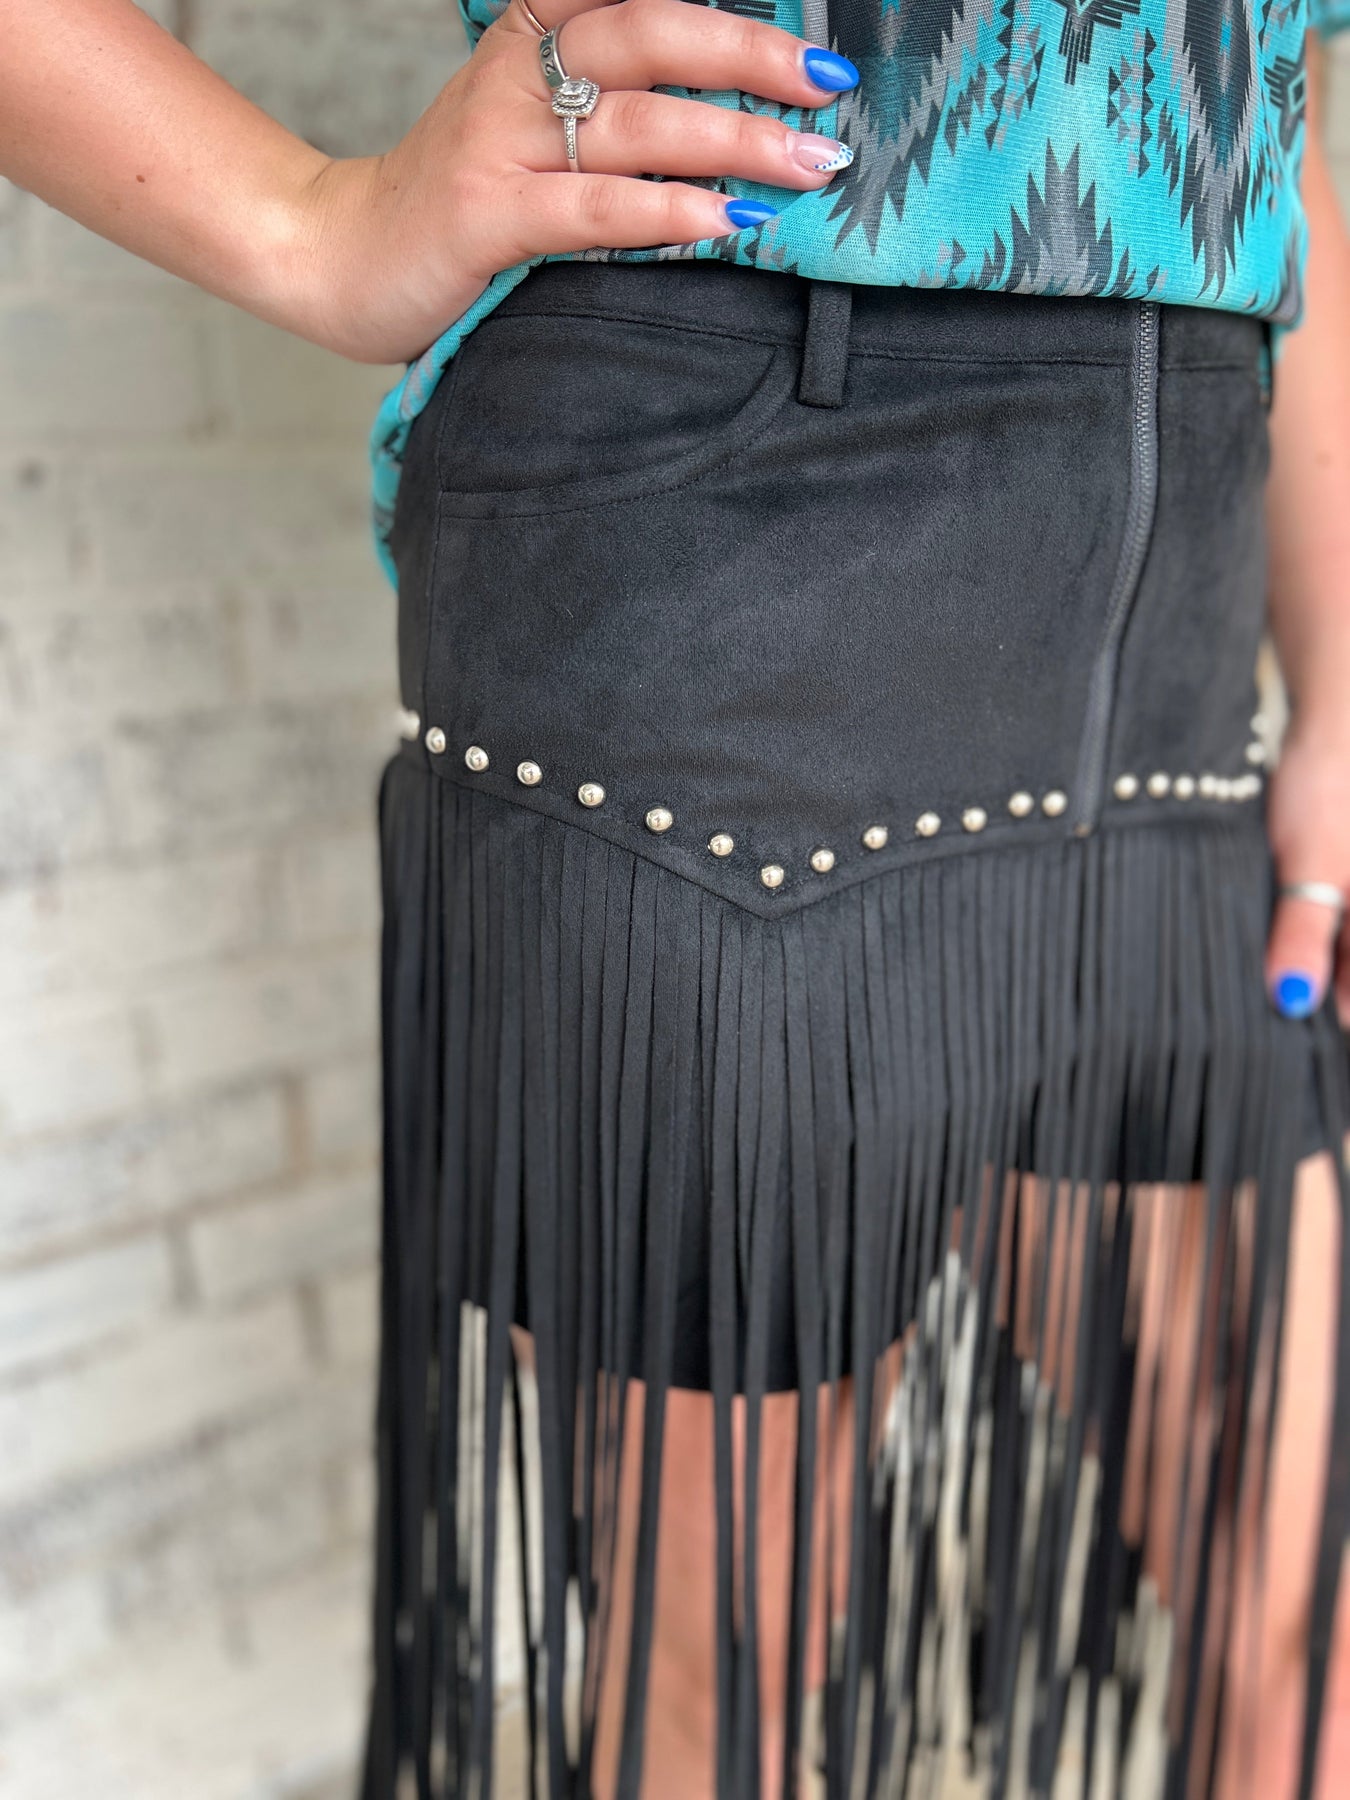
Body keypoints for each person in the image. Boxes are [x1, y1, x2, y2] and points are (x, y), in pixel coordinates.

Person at [4, 1, 1349, 1795]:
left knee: (1305, 1641)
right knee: (726, 1679)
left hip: (1174, 630)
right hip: (722, 579)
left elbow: (1271, 111)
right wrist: (310, 224)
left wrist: (1335, 680)